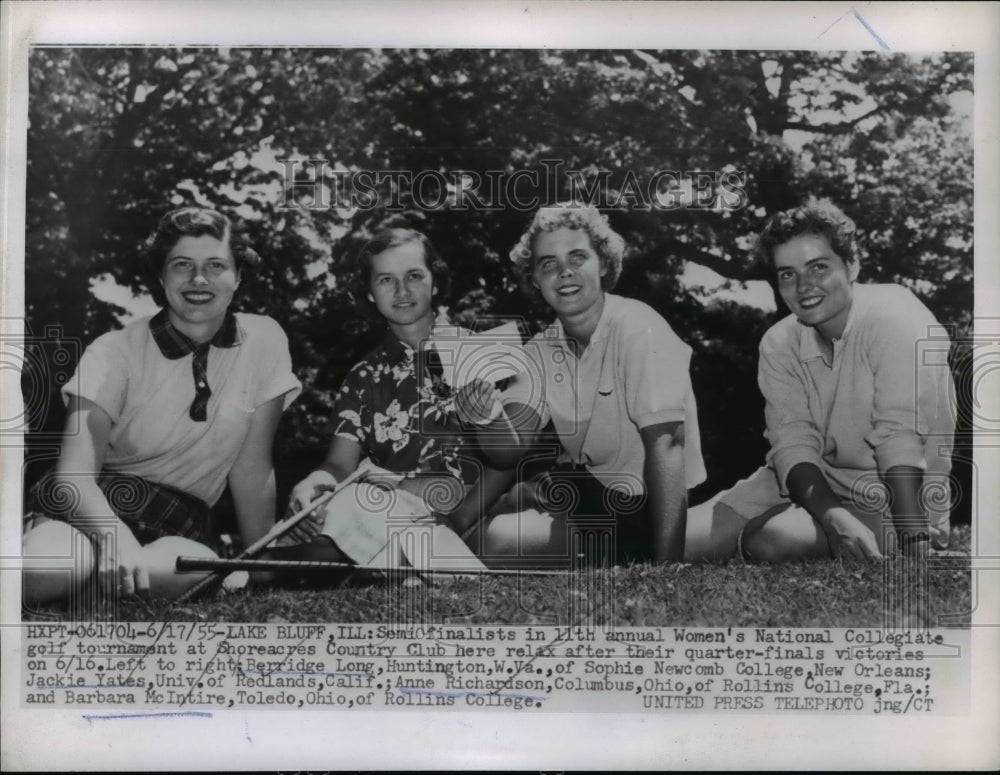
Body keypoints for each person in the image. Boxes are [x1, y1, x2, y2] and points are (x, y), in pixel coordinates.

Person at [22, 207, 301, 603]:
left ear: (238, 275)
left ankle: (98, 583)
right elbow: (73, 478)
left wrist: (263, 563)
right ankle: (69, 566)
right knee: (46, 570)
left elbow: (252, 467)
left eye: (216, 265)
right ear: (161, 275)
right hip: (89, 509)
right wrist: (115, 538)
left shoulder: (266, 339)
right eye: (182, 264)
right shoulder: (113, 351)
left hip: (176, 524)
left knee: (194, 572)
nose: (199, 279)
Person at [684, 202, 955, 563]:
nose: (804, 286)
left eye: (819, 267)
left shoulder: (896, 316)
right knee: (676, 542)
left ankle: (788, 530)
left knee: (771, 540)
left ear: (852, 265)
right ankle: (793, 524)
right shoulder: (779, 342)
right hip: (807, 486)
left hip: (893, 498)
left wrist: (916, 541)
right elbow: (792, 444)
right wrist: (834, 517)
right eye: (788, 274)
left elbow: (900, 438)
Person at [457, 204, 706, 565]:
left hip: (646, 507)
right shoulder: (541, 349)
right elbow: (509, 450)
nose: (564, 272)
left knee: (493, 541)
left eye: (578, 256)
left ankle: (513, 507)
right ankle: (472, 516)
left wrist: (667, 565)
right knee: (485, 525)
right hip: (586, 494)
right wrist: (485, 417)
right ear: (535, 279)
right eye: (548, 263)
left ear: (603, 264)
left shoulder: (638, 326)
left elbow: (667, 444)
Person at [284, 228, 486, 571]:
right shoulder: (363, 376)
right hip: (386, 507)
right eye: (386, 280)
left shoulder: (478, 353)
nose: (402, 291)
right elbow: (338, 466)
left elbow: (505, 454)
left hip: (468, 511)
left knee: (360, 505)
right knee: (332, 508)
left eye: (414, 276)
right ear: (370, 292)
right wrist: (310, 484)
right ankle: (335, 563)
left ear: (435, 282)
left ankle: (282, 569)